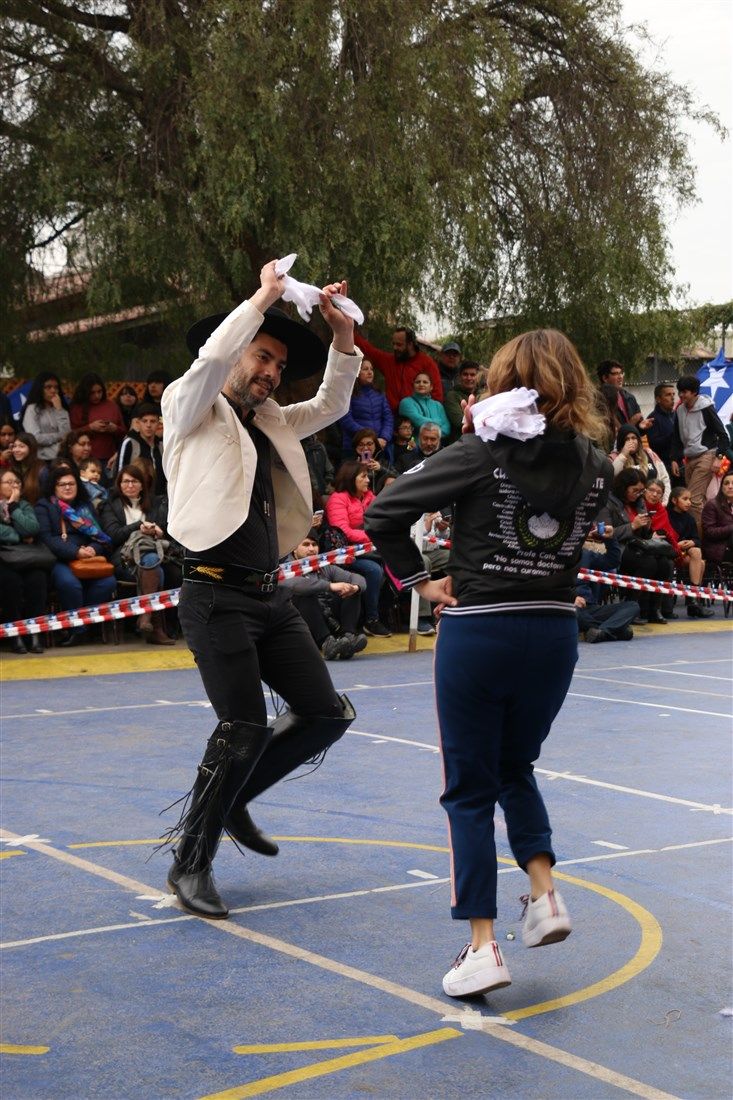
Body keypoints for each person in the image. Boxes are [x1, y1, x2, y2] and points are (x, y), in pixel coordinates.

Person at [366, 328, 612, 996]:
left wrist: (419, 581)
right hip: (554, 632)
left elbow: (383, 512)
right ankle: (544, 894)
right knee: (515, 766)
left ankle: (481, 946)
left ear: (505, 383)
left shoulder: (478, 452)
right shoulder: (596, 463)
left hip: (482, 628)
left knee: (469, 789)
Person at [159, 260, 360, 920]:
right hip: (214, 595)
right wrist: (262, 299)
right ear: (236, 347)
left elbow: (331, 404)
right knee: (241, 727)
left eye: (279, 364)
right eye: (262, 356)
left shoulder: (272, 419)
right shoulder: (188, 406)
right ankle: (190, 863)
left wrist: (342, 339)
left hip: (270, 595)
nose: (271, 372)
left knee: (326, 713)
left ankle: (236, 796)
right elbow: (210, 364)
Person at [35, 466, 116, 647]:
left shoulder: (85, 506)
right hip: (60, 559)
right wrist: (75, 552)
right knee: (69, 584)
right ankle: (79, 630)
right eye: (62, 484)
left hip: (89, 557)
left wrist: (93, 549)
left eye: (71, 484)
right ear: (54, 487)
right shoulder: (44, 506)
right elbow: (47, 539)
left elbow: (99, 536)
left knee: (108, 582)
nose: (67, 487)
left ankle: (81, 626)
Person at [100, 464, 176, 645]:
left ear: (142, 485)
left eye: (134, 481)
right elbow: (114, 535)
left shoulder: (155, 504)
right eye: (125, 481)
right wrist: (139, 526)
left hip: (155, 552)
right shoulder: (111, 506)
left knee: (153, 564)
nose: (130, 485)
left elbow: (167, 530)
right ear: (119, 485)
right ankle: (154, 626)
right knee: (156, 569)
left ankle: (146, 619)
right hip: (124, 558)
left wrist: (157, 532)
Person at [598, 469, 674, 625]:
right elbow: (604, 533)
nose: (638, 494)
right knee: (648, 563)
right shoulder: (606, 502)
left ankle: (654, 610)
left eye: (641, 491)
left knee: (665, 563)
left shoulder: (639, 502)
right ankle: (631, 609)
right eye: (635, 490)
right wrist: (632, 526)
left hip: (639, 545)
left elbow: (645, 535)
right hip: (617, 548)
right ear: (623, 487)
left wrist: (647, 526)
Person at [325, 461, 391, 637]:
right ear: (350, 478)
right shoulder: (338, 499)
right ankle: (371, 620)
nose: (368, 480)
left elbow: (383, 520)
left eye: (368, 476)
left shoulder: (369, 497)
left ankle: (385, 613)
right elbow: (342, 531)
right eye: (363, 476)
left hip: (369, 549)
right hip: (344, 552)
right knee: (374, 569)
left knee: (392, 561)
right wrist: (372, 536)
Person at [280, 530, 367, 660]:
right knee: (305, 594)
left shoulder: (324, 566)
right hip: (303, 624)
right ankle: (327, 643)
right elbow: (295, 585)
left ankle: (347, 637)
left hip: (327, 617)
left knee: (351, 590)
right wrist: (330, 586)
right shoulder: (286, 568)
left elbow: (357, 578)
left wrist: (355, 587)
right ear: (294, 549)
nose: (311, 549)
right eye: (306, 544)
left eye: (314, 544)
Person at [671, 375, 731, 534]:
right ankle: (709, 534)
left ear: (694, 392)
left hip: (706, 455)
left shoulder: (706, 408)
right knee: (698, 500)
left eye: (685, 392)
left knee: (692, 499)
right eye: (680, 392)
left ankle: (699, 541)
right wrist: (675, 459)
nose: (681, 395)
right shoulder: (679, 410)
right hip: (688, 458)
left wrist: (718, 457)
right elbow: (676, 437)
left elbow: (723, 436)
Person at [645, 480, 713, 619]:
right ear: (674, 500)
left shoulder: (690, 518)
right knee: (700, 563)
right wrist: (677, 544)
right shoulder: (666, 513)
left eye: (690, 499)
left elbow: (697, 540)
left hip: (684, 553)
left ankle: (692, 600)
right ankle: (692, 602)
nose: (689, 502)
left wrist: (692, 542)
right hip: (671, 550)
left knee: (697, 552)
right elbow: (665, 535)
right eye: (685, 499)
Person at [0, 469, 49, 653]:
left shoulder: (24, 505)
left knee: (37, 579)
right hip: (3, 557)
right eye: (9, 482)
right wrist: (18, 535)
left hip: (26, 556)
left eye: (17, 482)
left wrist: (13, 507)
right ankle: (15, 634)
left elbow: (31, 529)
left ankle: (34, 633)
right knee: (10, 582)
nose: (14, 486)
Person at [355, 326, 444, 409]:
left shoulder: (427, 363)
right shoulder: (389, 361)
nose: (395, 347)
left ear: (410, 344)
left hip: (416, 416)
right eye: (393, 344)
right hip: (391, 416)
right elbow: (368, 349)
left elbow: (437, 395)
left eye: (399, 345)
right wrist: (349, 330)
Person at [68, 373, 126, 468]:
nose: (97, 396)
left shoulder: (111, 406)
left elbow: (124, 433)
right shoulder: (77, 408)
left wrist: (114, 428)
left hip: (109, 458)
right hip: (85, 459)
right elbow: (70, 434)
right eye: (92, 393)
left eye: (99, 392)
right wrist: (90, 427)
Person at [338, 357, 393, 456]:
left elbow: (388, 418)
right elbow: (346, 420)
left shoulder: (379, 393)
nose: (370, 372)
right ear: (356, 373)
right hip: (355, 447)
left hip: (379, 446)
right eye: (365, 369)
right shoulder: (348, 394)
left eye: (371, 369)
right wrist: (370, 438)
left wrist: (384, 437)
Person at [609, 423, 671, 502]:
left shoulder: (649, 453)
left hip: (654, 502)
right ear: (621, 442)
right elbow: (613, 475)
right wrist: (623, 454)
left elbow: (664, 478)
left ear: (638, 440)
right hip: (630, 504)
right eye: (627, 439)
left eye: (633, 438)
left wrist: (665, 501)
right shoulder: (615, 457)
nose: (631, 442)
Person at [116, 403, 166, 495]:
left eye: (153, 421)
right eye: (144, 421)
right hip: (136, 497)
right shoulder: (129, 443)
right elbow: (119, 474)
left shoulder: (161, 446)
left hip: (160, 497)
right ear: (138, 423)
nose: (148, 425)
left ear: (158, 424)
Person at [20, 372, 70, 462]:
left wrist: (59, 410)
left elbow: (68, 436)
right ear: (40, 389)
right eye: (48, 387)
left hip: (61, 458)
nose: (53, 391)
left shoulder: (62, 410)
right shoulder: (32, 409)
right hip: (41, 460)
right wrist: (59, 436)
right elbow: (35, 438)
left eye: (56, 387)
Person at [596, 361, 649, 428]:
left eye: (621, 373)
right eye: (616, 374)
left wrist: (642, 427)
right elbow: (606, 429)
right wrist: (630, 424)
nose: (620, 377)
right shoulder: (599, 400)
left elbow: (638, 425)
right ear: (605, 378)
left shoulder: (630, 398)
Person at [398, 371, 451, 439]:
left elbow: (446, 429)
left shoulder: (438, 405)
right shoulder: (406, 403)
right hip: (415, 444)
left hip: (436, 444)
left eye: (425, 382)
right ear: (413, 385)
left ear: (431, 387)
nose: (421, 384)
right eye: (418, 382)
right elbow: (418, 421)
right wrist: (438, 422)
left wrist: (432, 436)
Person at [644, 383, 677, 475]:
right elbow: (653, 444)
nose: (672, 398)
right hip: (664, 466)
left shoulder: (676, 415)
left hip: (679, 461)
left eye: (673, 394)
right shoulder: (653, 419)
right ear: (658, 399)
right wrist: (672, 435)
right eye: (668, 395)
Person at [351, 428, 397, 495]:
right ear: (356, 447)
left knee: (391, 480)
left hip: (380, 498)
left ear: (375, 445)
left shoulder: (382, 462)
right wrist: (359, 468)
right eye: (361, 444)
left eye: (369, 444)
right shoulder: (350, 463)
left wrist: (380, 468)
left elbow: (398, 477)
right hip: (358, 498)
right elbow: (343, 483)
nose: (365, 448)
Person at [701, 472, 733, 567]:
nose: (730, 486)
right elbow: (709, 532)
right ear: (721, 487)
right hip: (719, 548)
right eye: (726, 483)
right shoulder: (712, 505)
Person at [444, 361, 481, 443]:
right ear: (460, 377)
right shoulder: (452, 396)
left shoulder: (482, 395)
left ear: (477, 377)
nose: (469, 378)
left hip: (480, 442)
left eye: (472, 375)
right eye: (465, 374)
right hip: (460, 442)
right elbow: (459, 421)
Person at [9, 432, 46, 505]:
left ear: (31, 449)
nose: (16, 450)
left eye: (21, 446)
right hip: (15, 507)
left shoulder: (41, 469)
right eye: (14, 446)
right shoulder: (12, 468)